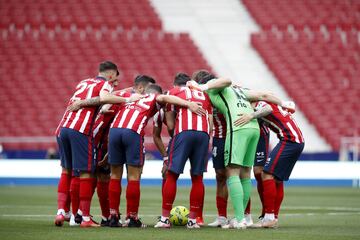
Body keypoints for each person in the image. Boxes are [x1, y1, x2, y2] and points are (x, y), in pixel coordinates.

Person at [189, 70, 293, 229]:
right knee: (245, 173)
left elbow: (227, 80)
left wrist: (201, 86)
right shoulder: (240, 90)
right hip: (253, 129)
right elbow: (264, 95)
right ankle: (243, 217)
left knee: (232, 172)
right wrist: (283, 103)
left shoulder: (215, 88)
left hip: (238, 129)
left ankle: (240, 219)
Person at [107, 77, 206, 228]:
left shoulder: (127, 96)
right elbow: (166, 98)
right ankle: (132, 218)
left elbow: (104, 101)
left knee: (114, 176)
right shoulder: (154, 97)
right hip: (132, 131)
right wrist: (188, 104)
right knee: (133, 176)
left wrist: (127, 91)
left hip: (114, 131)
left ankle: (113, 216)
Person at [54, 61, 143, 228]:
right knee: (86, 173)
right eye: (115, 78)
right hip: (81, 130)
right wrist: (128, 97)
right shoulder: (105, 84)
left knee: (68, 171)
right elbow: (104, 97)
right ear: (111, 74)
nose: (115, 82)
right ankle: (84, 218)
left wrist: (95, 105)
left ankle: (64, 212)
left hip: (63, 127)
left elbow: (92, 99)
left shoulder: (84, 82)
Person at [155, 73, 213, 229]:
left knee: (172, 174)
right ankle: (193, 220)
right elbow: (211, 124)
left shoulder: (174, 92)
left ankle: (165, 219)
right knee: (197, 177)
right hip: (204, 134)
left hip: (184, 132)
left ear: (175, 84)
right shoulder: (204, 94)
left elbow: (171, 124)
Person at [235, 100, 304, 228]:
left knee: (266, 174)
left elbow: (268, 110)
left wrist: (250, 115)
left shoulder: (261, 104)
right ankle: (272, 218)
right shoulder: (272, 104)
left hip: (290, 140)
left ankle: (269, 217)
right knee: (277, 179)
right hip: (295, 140)